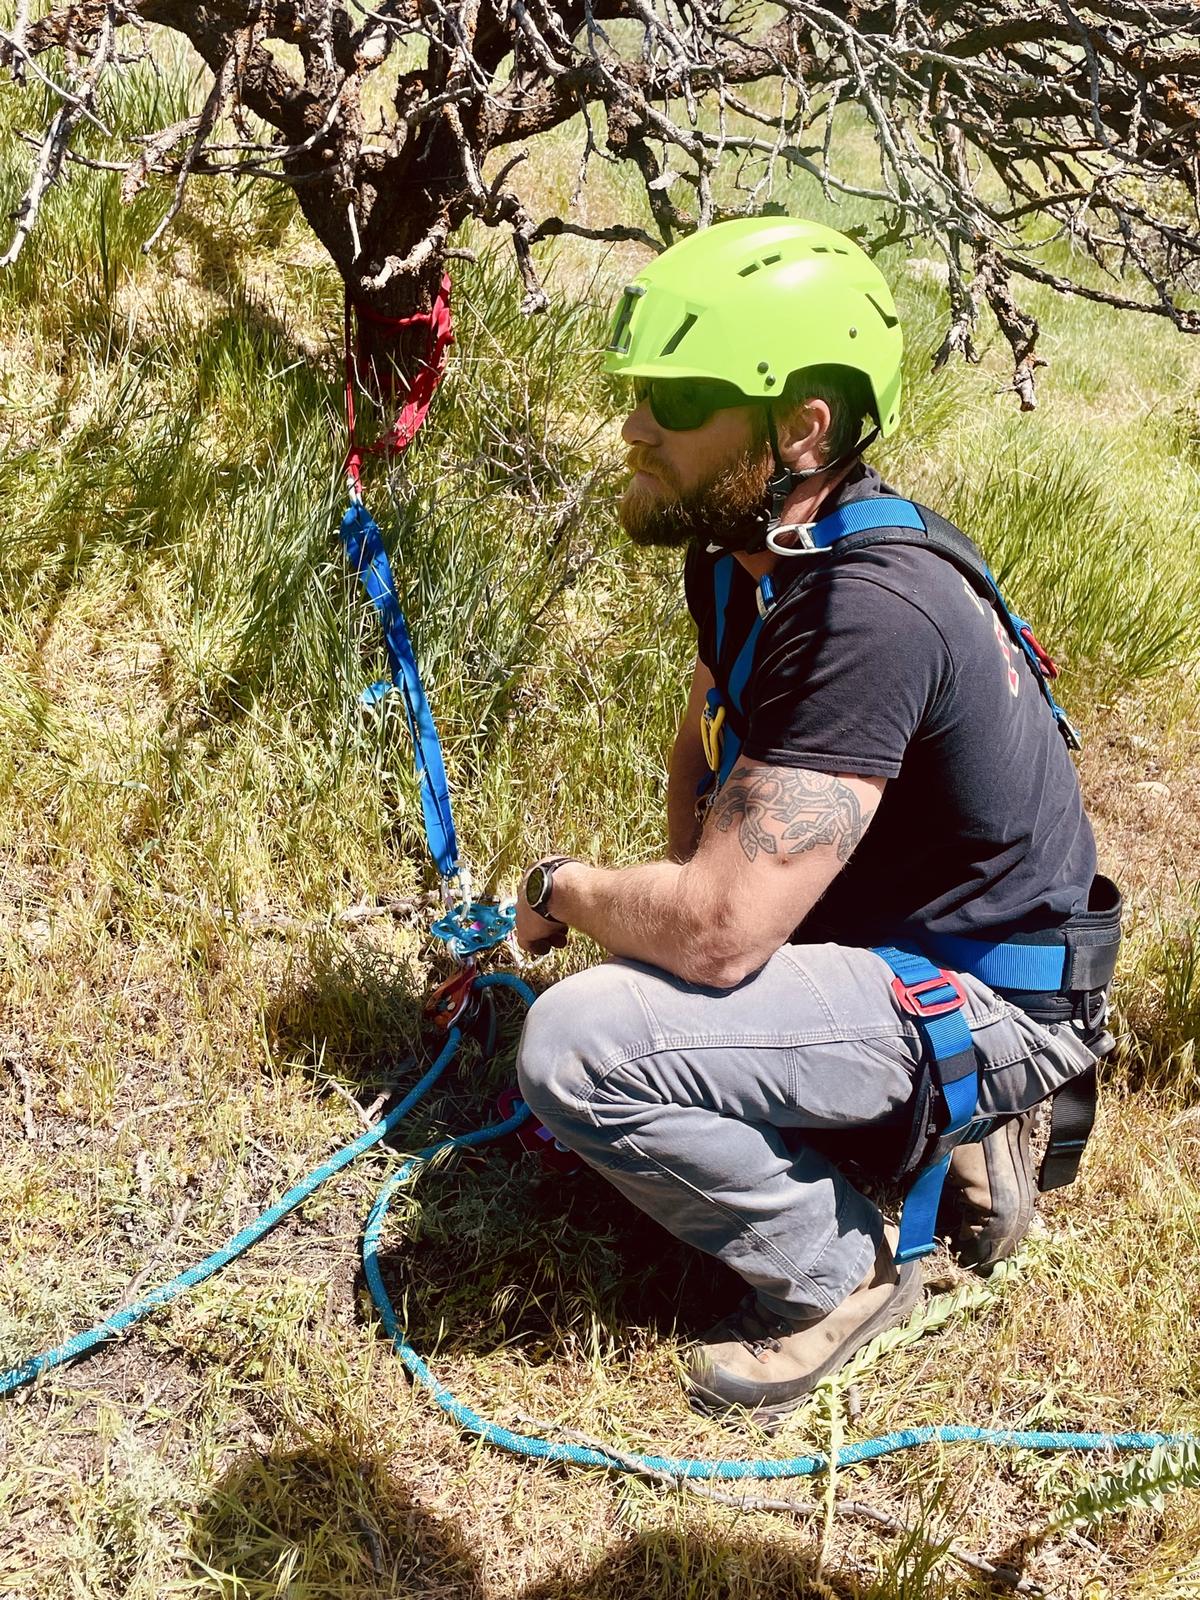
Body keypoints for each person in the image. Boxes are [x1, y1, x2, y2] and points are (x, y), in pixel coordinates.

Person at [512, 216, 1118, 1427]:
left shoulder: (868, 610)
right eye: (639, 392)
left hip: (994, 991)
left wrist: (562, 889)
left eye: (682, 400)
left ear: (803, 428)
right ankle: (938, 1133)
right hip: (897, 933)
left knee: (578, 1044)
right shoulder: (742, 555)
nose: (635, 426)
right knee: (652, 985)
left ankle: (847, 1271)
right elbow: (706, 757)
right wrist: (675, 937)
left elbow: (718, 929)